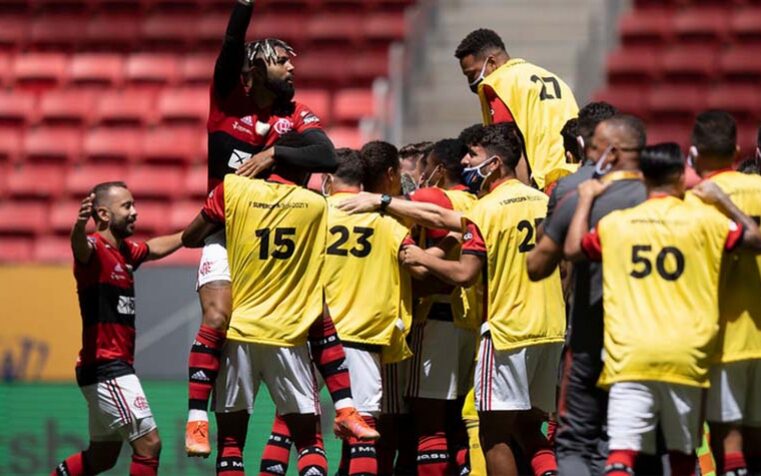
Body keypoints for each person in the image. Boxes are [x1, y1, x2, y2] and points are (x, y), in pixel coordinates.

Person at [186, 0, 374, 456]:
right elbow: (230, 46)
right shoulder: (227, 104)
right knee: (217, 316)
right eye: (281, 60)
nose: (292, 66)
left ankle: (346, 410)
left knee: (317, 315)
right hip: (227, 237)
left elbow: (326, 157)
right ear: (252, 73)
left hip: (279, 246)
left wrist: (274, 154)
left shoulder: (298, 116)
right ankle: (195, 420)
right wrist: (244, 7)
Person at [338, 125, 565, 476]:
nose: (465, 161)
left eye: (472, 156)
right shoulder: (544, 201)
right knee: (526, 428)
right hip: (549, 329)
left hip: (503, 330)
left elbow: (464, 273)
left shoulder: (483, 209)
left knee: (486, 434)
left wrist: (421, 256)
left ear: (494, 163)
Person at [564, 142, 761, 476]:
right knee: (683, 457)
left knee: (621, 457)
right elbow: (754, 238)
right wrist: (724, 202)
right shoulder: (704, 220)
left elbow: (572, 249)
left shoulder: (617, 224)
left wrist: (585, 199)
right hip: (687, 355)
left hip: (629, 355)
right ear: (681, 179)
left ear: (643, 179)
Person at [182, 132, 333, 476]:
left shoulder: (236, 187)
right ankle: (346, 405)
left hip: (244, 330)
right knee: (308, 440)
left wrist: (272, 153)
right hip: (286, 333)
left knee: (233, 442)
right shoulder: (314, 204)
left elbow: (191, 237)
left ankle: (195, 415)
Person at [526, 114, 646, 476]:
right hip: (650, 339)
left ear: (607, 152)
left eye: (593, 149)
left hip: (591, 337)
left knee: (577, 441)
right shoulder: (670, 196)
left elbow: (537, 266)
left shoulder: (578, 194)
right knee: (634, 444)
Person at [53, 182, 183, 476]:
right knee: (149, 444)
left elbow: (154, 248)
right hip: (106, 366)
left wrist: (196, 232)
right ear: (103, 214)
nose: (135, 212)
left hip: (109, 366)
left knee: (103, 457)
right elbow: (79, 246)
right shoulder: (94, 250)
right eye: (127, 206)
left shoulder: (124, 251)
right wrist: (78, 225)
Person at [686, 111, 761, 475]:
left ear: (695, 153)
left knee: (725, 437)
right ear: (736, 149)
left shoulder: (696, 200)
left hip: (721, 337)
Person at [406, 138, 479, 475]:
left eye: (426, 167)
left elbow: (430, 268)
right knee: (459, 422)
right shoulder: (481, 201)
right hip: (472, 323)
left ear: (439, 169)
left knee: (429, 425)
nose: (422, 176)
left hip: (436, 317)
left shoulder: (433, 201)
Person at [455, 28, 579, 190]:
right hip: (573, 174)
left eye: (472, 74)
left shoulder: (500, 84)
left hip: (544, 183)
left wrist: (522, 195)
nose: (471, 82)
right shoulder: (553, 78)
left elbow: (509, 146)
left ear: (491, 62)